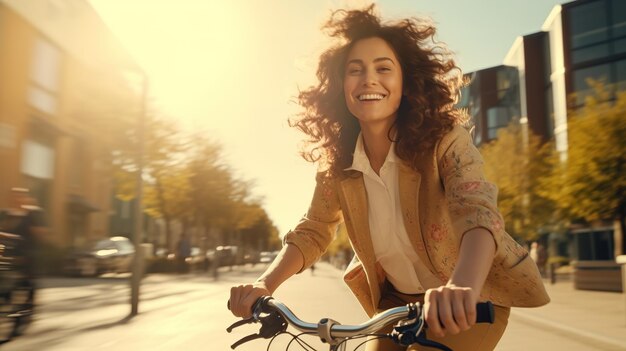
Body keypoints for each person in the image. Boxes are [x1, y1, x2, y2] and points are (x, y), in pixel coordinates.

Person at [228, 5, 549, 350]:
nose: (369, 79)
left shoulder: (445, 140)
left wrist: (462, 287)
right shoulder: (339, 162)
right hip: (398, 304)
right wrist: (264, 284)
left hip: (471, 301)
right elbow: (314, 228)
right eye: (355, 70)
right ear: (340, 85)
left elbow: (478, 213)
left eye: (384, 68)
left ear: (405, 82)